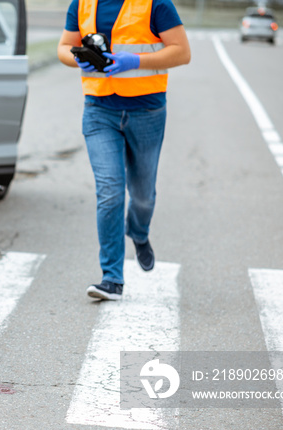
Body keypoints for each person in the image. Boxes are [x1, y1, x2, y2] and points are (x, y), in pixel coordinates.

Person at [57, 0, 190, 300]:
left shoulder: (156, 4)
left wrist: (135, 61)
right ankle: (112, 278)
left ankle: (139, 233)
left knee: (143, 196)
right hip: (99, 110)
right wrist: (78, 58)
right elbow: (64, 46)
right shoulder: (82, 4)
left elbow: (182, 51)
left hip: (147, 112)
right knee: (110, 191)